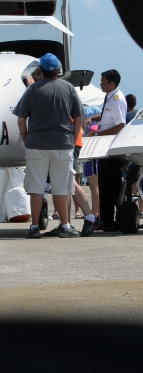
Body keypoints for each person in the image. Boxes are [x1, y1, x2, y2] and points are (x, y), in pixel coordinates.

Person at [14, 53, 84, 238]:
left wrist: (27, 139)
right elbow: (79, 118)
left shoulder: (32, 89)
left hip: (37, 144)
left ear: (41, 70)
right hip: (63, 144)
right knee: (61, 187)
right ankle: (66, 226)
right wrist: (72, 139)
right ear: (59, 70)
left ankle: (35, 227)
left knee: (36, 187)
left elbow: (21, 120)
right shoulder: (69, 88)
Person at [86, 69, 127, 232]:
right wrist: (94, 118)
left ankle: (119, 220)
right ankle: (106, 220)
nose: (101, 85)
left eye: (103, 83)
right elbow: (105, 116)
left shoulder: (117, 99)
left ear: (112, 83)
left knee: (114, 186)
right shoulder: (109, 96)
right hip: (105, 148)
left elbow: (119, 125)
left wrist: (99, 133)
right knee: (105, 185)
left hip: (112, 148)